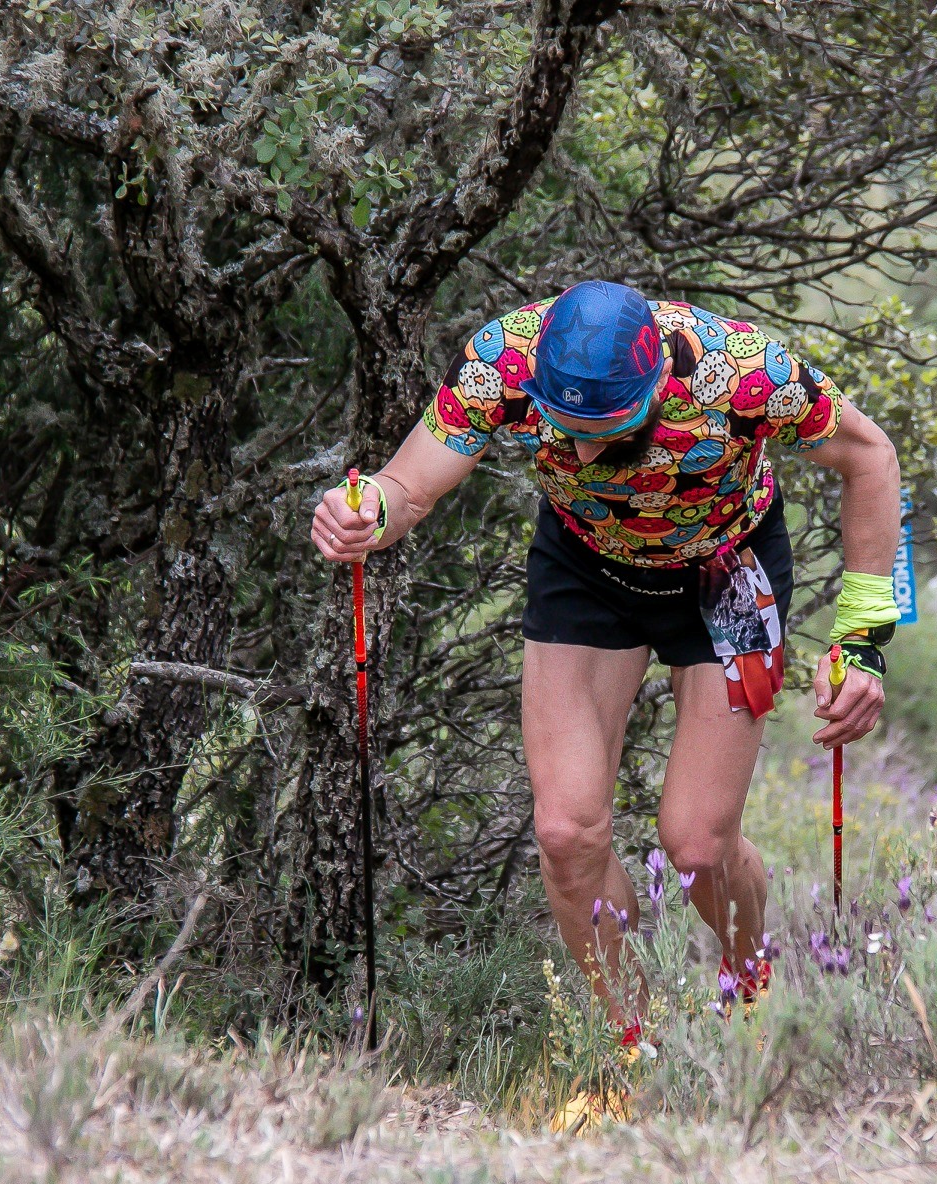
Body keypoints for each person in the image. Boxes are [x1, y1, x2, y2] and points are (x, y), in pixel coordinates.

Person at [311, 280, 901, 1038]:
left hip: (726, 570)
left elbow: (871, 457)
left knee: (698, 843)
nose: (586, 450)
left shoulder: (745, 370)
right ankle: (628, 1046)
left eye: (612, 427)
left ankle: (757, 992)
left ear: (658, 384)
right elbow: (406, 488)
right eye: (566, 426)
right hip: (588, 569)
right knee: (565, 832)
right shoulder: (502, 358)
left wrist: (861, 640)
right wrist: (367, 515)